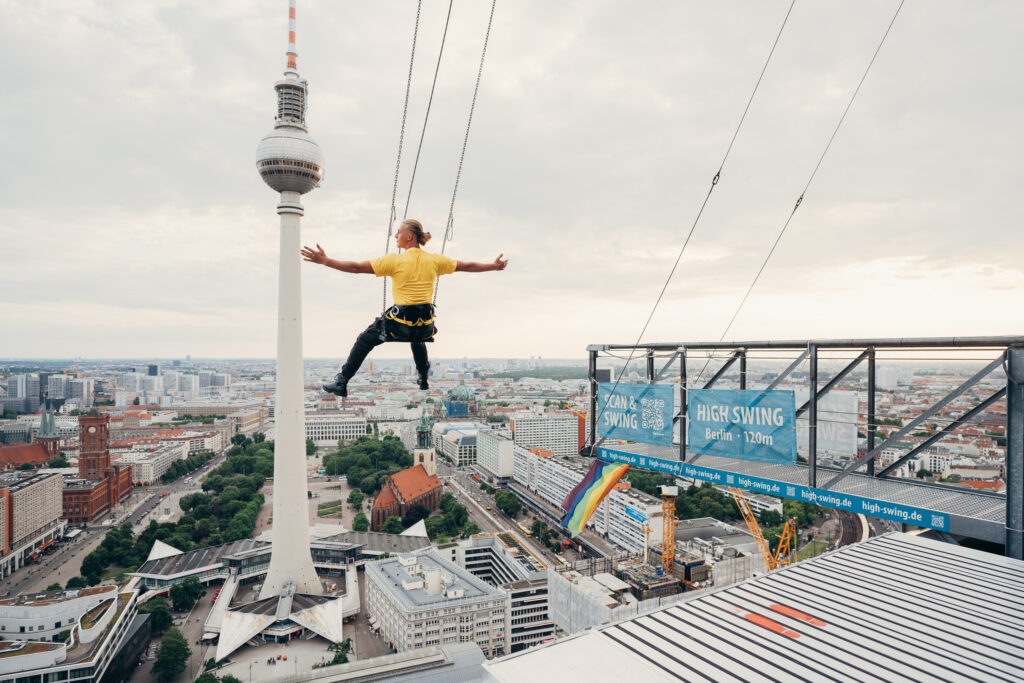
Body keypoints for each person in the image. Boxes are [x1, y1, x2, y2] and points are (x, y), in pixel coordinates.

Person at [301, 219, 508, 396]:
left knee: (364, 340)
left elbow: (356, 268)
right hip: (424, 323)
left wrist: (326, 261)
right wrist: (494, 266)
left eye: (398, 232)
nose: (395, 236)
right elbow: (468, 266)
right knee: (418, 338)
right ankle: (423, 377)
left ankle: (342, 381)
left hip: (399, 323)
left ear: (409, 236)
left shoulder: (395, 261)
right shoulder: (435, 260)